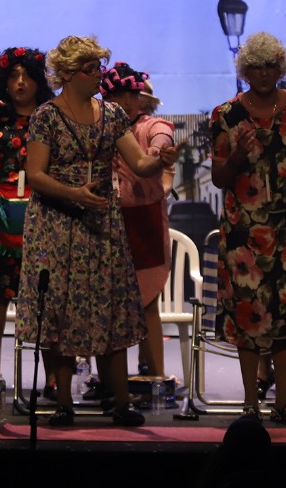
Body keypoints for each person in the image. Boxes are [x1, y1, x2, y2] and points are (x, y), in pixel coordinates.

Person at [13, 35, 177, 427]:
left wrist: (161, 160)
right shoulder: (47, 117)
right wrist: (74, 194)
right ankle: (64, 403)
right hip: (57, 223)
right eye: (90, 69)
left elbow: (140, 164)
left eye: (99, 67)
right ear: (69, 74)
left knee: (109, 308)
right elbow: (35, 175)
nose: (98, 75)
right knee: (62, 310)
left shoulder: (112, 114)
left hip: (101, 222)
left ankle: (120, 401)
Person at [209, 31, 286, 425]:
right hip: (243, 232)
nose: (264, 73)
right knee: (248, 316)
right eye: (256, 66)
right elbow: (219, 178)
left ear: (280, 67)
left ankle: (284, 401)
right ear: (245, 70)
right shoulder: (225, 115)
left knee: (285, 317)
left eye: (271, 65)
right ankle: (251, 403)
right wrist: (238, 154)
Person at [0, 46, 54, 399]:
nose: (20, 82)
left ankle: (53, 380)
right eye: (14, 76)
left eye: (27, 76)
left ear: (38, 81)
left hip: (40, 216)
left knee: (45, 299)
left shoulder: (51, 118)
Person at [100, 63, 175, 380]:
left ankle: (156, 378)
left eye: (131, 94)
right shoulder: (97, 129)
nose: (126, 101)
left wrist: (158, 152)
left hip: (144, 222)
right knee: (104, 304)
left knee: (148, 303)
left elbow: (162, 135)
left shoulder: (148, 126)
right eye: (117, 95)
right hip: (105, 222)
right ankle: (109, 382)